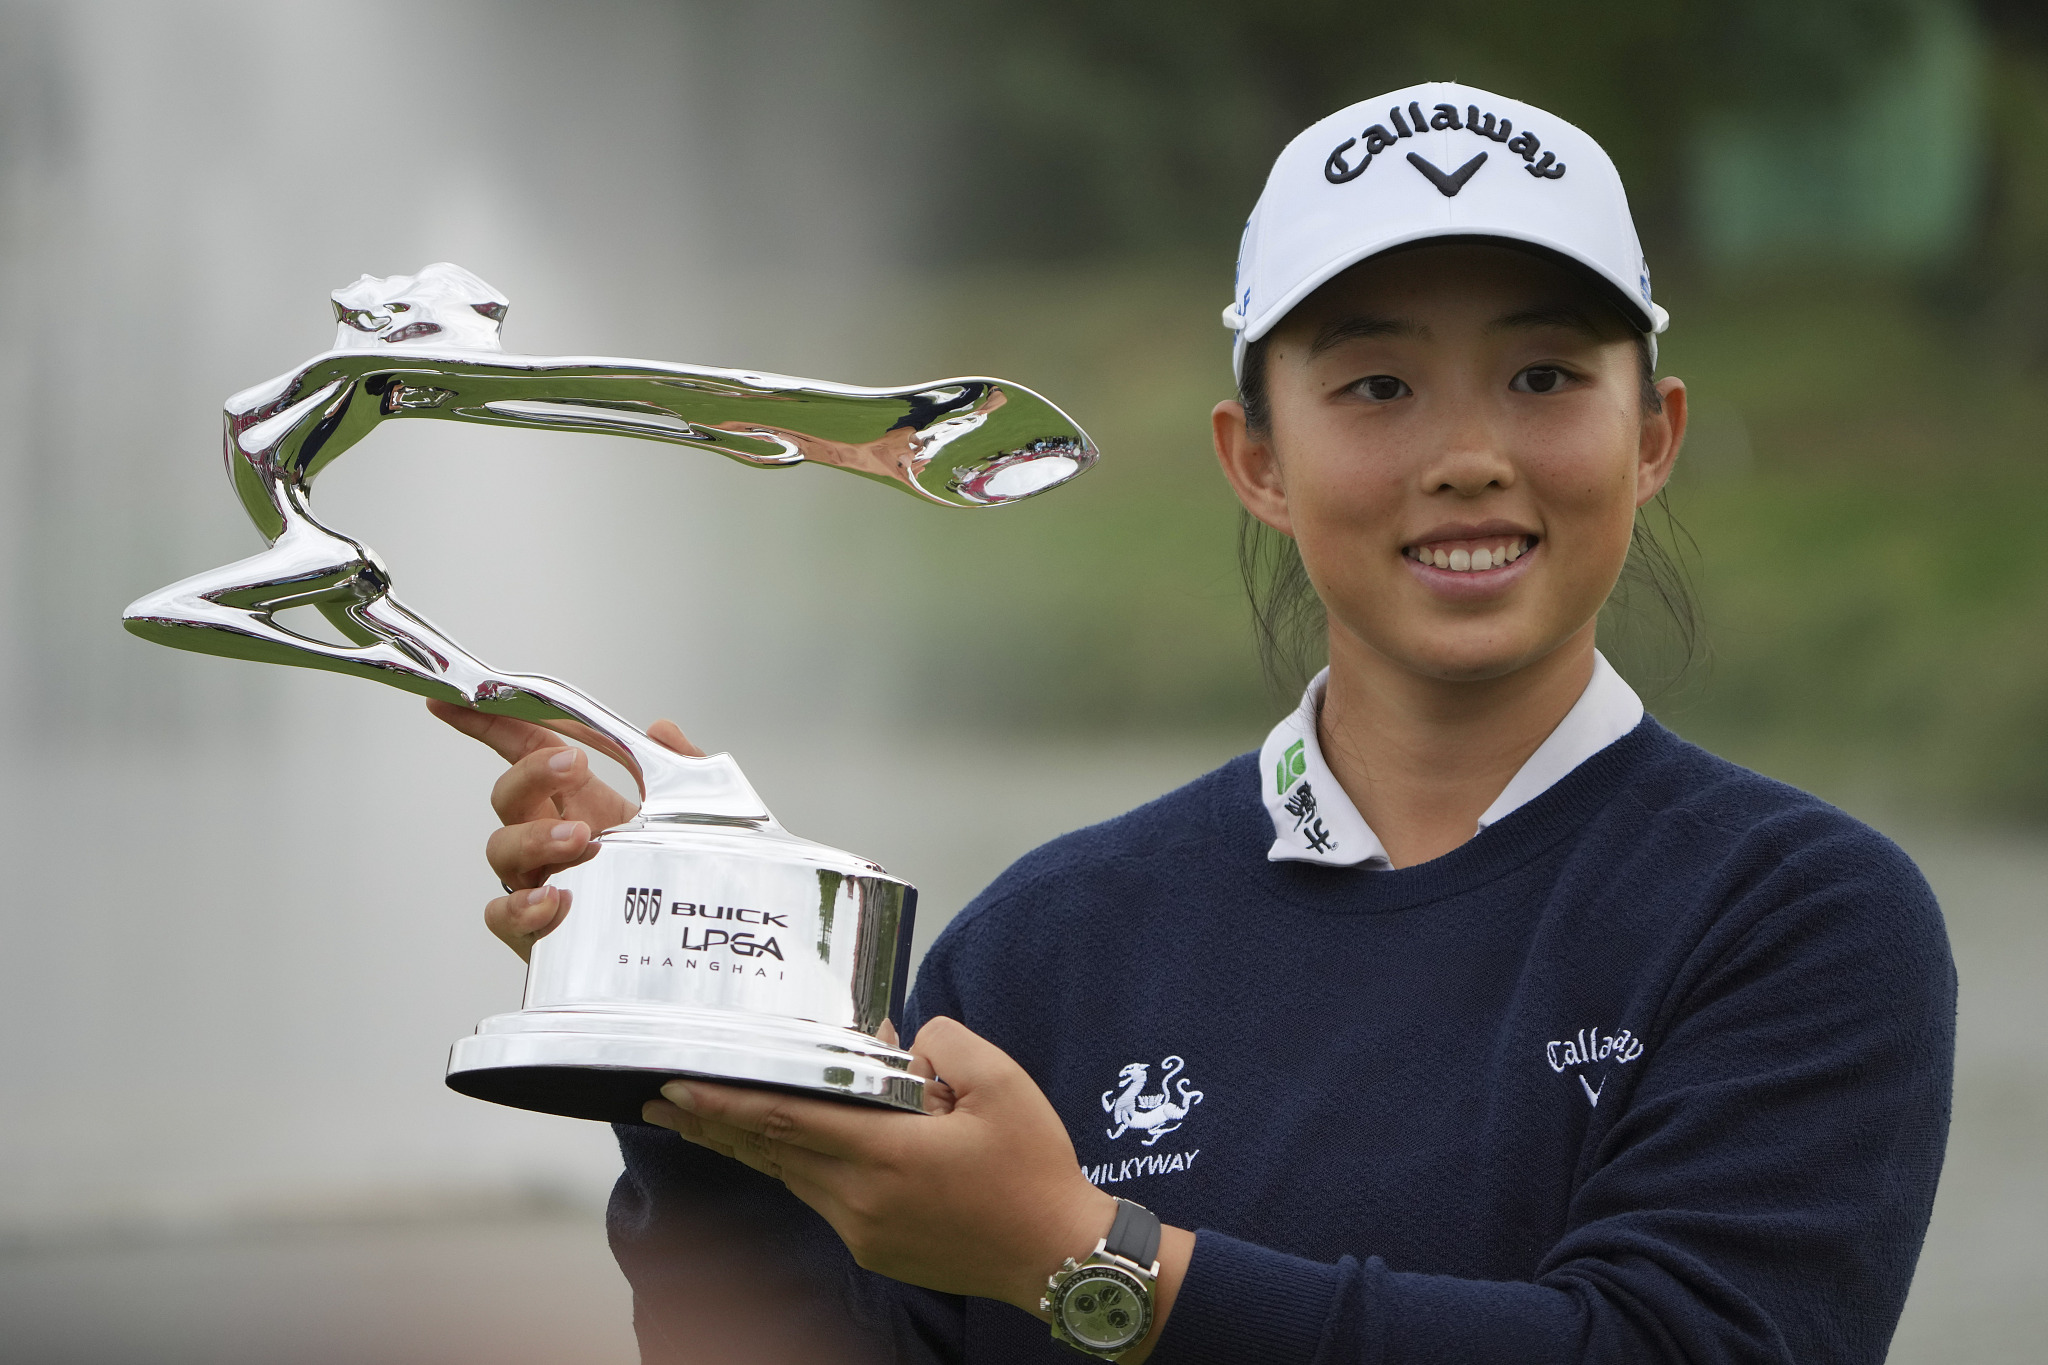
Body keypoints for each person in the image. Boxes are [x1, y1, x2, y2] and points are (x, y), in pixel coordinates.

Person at [432, 82, 1954, 1364]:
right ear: (1258, 459)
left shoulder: (1800, 915)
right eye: (1375, 385)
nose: (1472, 454)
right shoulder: (1059, 935)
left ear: (1655, 435)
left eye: (1546, 374)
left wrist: (1085, 1255)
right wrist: (689, 1027)